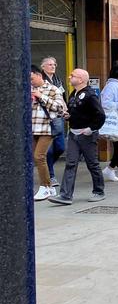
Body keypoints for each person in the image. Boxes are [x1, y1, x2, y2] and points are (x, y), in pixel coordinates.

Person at [48, 69, 106, 205]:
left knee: (92, 164)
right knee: (70, 163)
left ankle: (99, 191)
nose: (69, 77)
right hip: (74, 133)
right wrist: (69, 116)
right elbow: (75, 111)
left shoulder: (90, 95)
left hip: (86, 135)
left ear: (81, 79)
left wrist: (91, 129)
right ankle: (65, 195)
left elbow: (100, 115)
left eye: (73, 76)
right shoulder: (74, 94)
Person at [30, 64, 65, 201]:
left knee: (39, 156)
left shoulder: (52, 89)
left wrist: (41, 96)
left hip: (46, 128)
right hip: (32, 129)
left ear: (38, 75)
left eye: (32, 79)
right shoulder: (28, 89)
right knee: (36, 157)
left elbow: (59, 107)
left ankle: (46, 187)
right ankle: (48, 187)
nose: (30, 82)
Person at [41, 56, 66, 187]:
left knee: (61, 147)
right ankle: (50, 175)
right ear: (43, 67)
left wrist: (65, 110)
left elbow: (61, 97)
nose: (53, 66)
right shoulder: (41, 81)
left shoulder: (57, 80)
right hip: (46, 118)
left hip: (58, 117)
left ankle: (46, 165)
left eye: (54, 64)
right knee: (49, 150)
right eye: (50, 64)